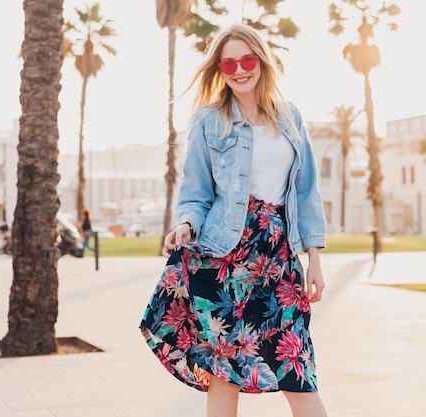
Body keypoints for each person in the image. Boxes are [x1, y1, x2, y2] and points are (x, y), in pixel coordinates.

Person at [140, 23, 328, 417]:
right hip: (224, 256)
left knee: (297, 366)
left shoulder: (290, 116)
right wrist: (186, 225)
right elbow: (196, 192)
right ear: (220, 70)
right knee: (223, 370)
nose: (240, 69)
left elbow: (307, 191)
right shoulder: (209, 120)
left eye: (247, 59)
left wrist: (314, 259)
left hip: (278, 260)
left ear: (261, 61)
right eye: (229, 64)